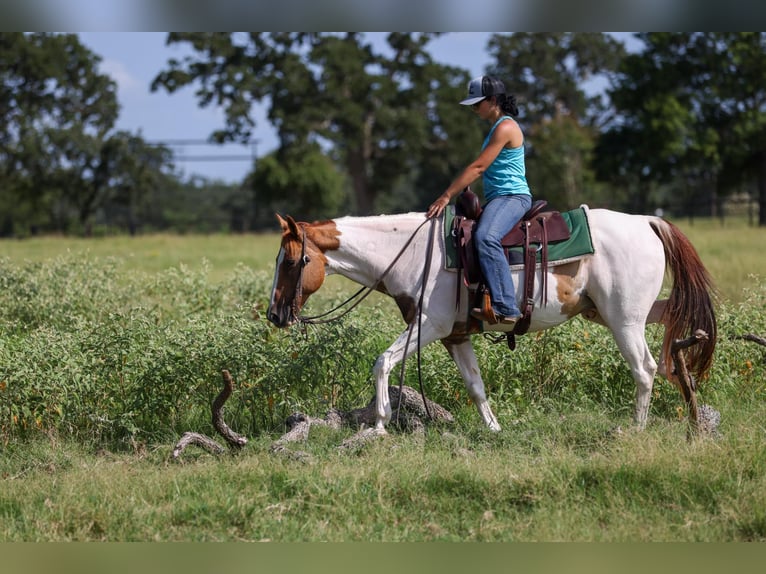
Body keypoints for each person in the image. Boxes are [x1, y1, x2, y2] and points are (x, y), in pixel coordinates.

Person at [426, 75, 532, 326]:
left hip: (513, 197)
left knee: (486, 237)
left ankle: (507, 306)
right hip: (499, 197)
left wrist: (446, 195)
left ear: (493, 101)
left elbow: (479, 166)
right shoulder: (497, 127)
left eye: (477, 104)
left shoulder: (506, 127)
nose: (474, 109)